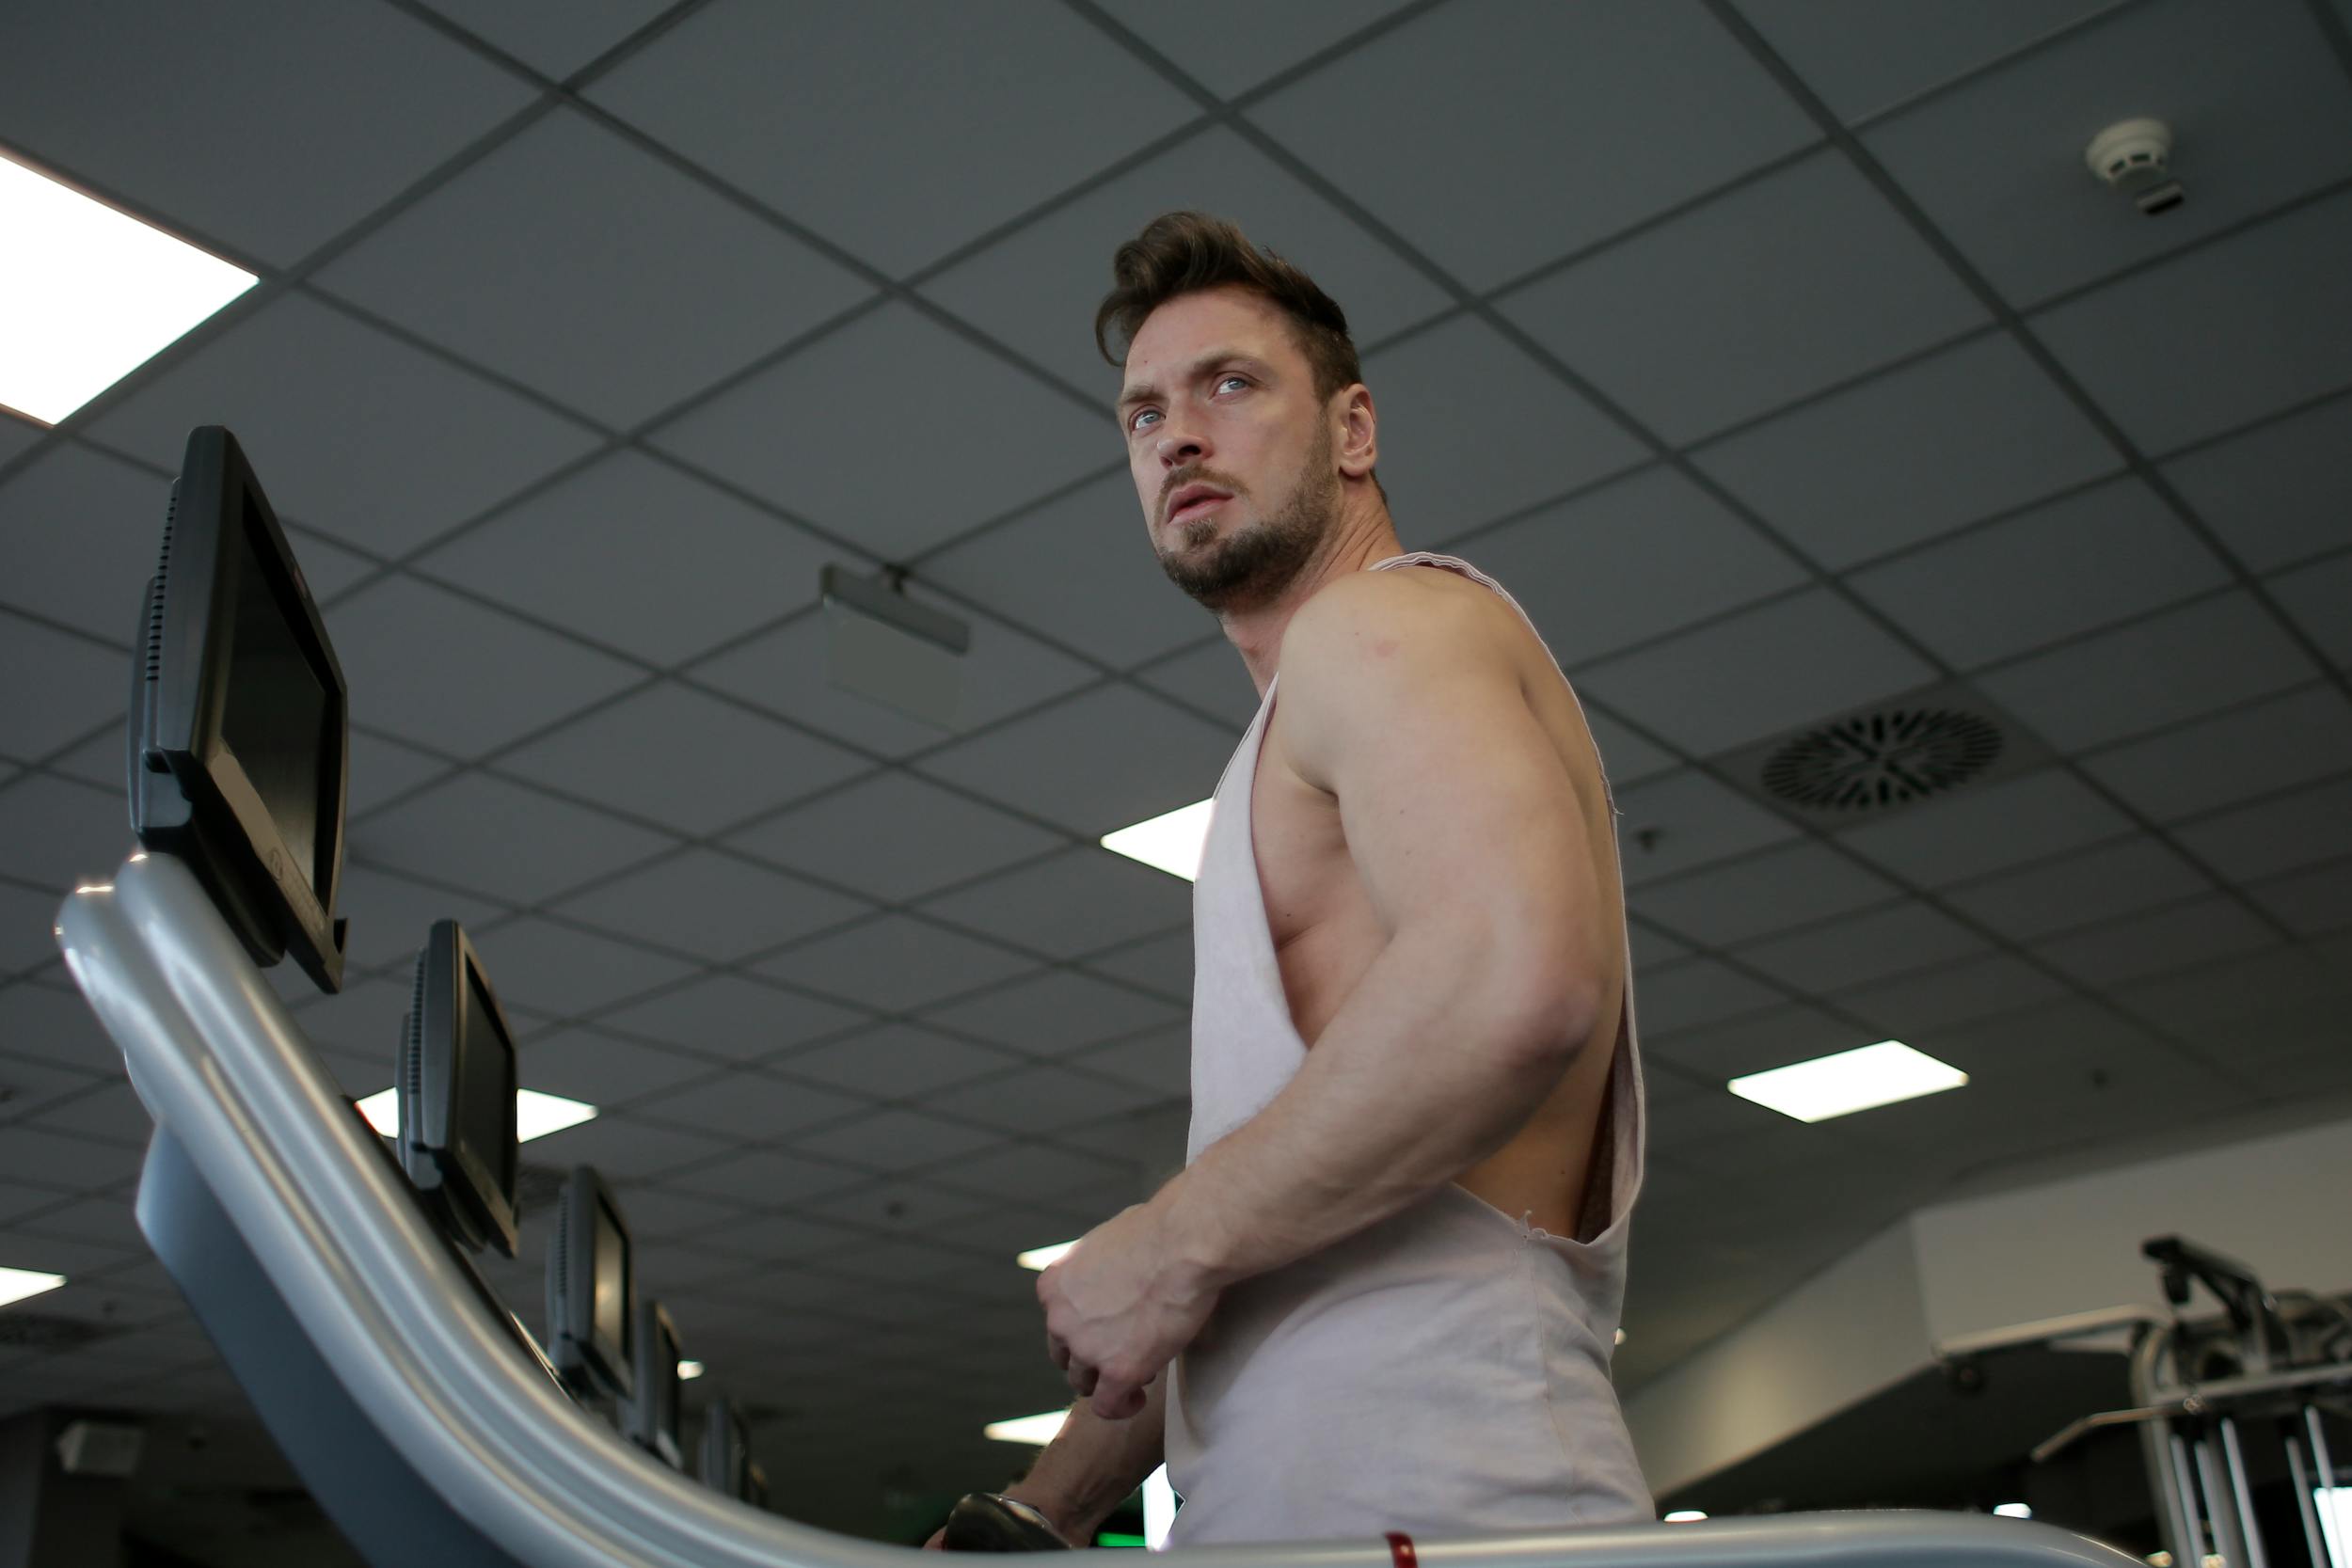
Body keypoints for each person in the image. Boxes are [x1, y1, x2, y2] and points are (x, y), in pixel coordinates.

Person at [985, 212, 1651, 1547]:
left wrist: (1168, 1241)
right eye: (1142, 414)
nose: (1177, 434)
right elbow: (1276, 1240)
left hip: (1443, 1504)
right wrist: (1041, 1511)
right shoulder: (1293, 733)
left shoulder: (1383, 624)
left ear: (1353, 432)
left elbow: (1512, 985)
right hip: (1340, 1512)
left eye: (1229, 384)